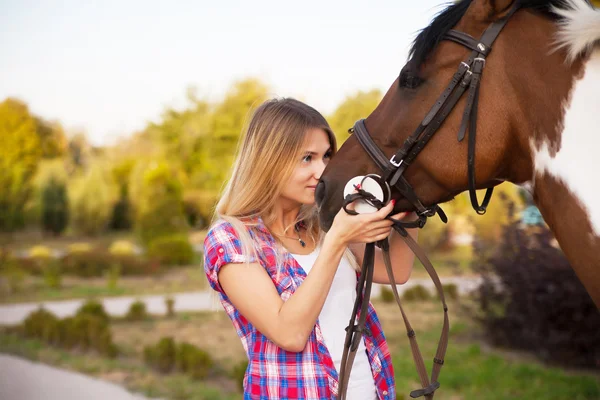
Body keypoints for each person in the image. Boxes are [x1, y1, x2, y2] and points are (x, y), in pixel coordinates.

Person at [203, 97, 417, 400]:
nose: (322, 170)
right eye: (307, 158)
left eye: (327, 156)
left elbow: (394, 272)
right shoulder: (232, 240)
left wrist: (415, 207)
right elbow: (289, 334)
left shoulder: (322, 224)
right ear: (269, 161)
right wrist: (337, 241)